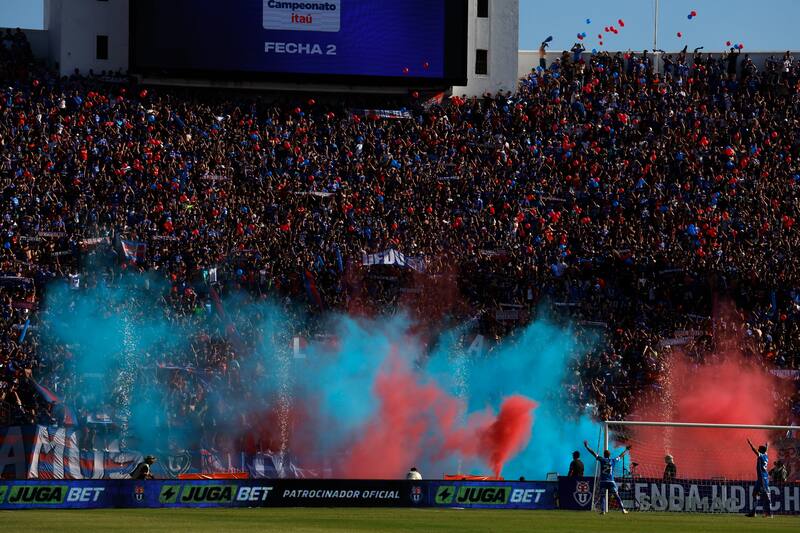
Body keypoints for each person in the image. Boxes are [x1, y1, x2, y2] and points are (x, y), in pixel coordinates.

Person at [583, 440, 630, 514]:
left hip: (603, 481)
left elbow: (593, 453)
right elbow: (621, 456)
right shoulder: (613, 461)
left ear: (604, 455)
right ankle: (623, 509)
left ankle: (603, 510)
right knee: (616, 495)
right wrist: (626, 450)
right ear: (609, 455)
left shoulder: (601, 460)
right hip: (611, 481)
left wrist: (587, 447)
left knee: (602, 496)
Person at [746, 439, 772, 518]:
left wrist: (750, 443)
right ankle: (753, 512)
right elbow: (766, 450)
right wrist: (767, 445)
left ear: (761, 451)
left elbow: (754, 450)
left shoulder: (761, 456)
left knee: (766, 496)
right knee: (754, 494)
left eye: (759, 449)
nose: (758, 450)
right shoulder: (766, 455)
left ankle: (769, 513)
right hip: (759, 479)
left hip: (763, 479)